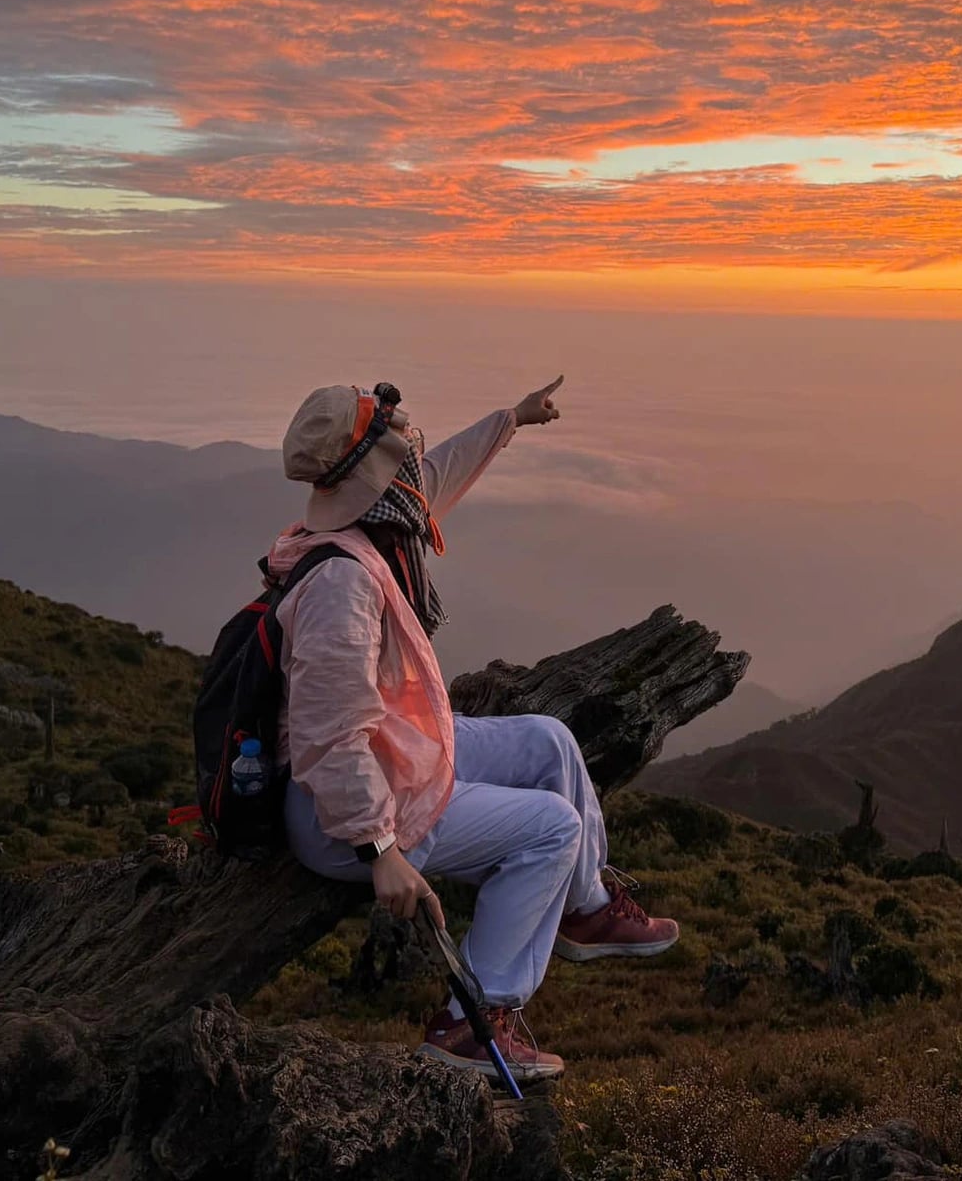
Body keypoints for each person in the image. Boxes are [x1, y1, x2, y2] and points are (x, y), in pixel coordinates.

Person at [268, 374, 678, 1084]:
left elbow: (438, 475)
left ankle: (584, 908)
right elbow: (330, 736)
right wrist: (380, 850)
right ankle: (473, 1021)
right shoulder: (342, 583)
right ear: (370, 464)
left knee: (549, 740)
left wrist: (511, 419)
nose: (406, 432)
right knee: (553, 827)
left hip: (394, 753)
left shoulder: (376, 525)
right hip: (344, 813)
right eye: (389, 428)